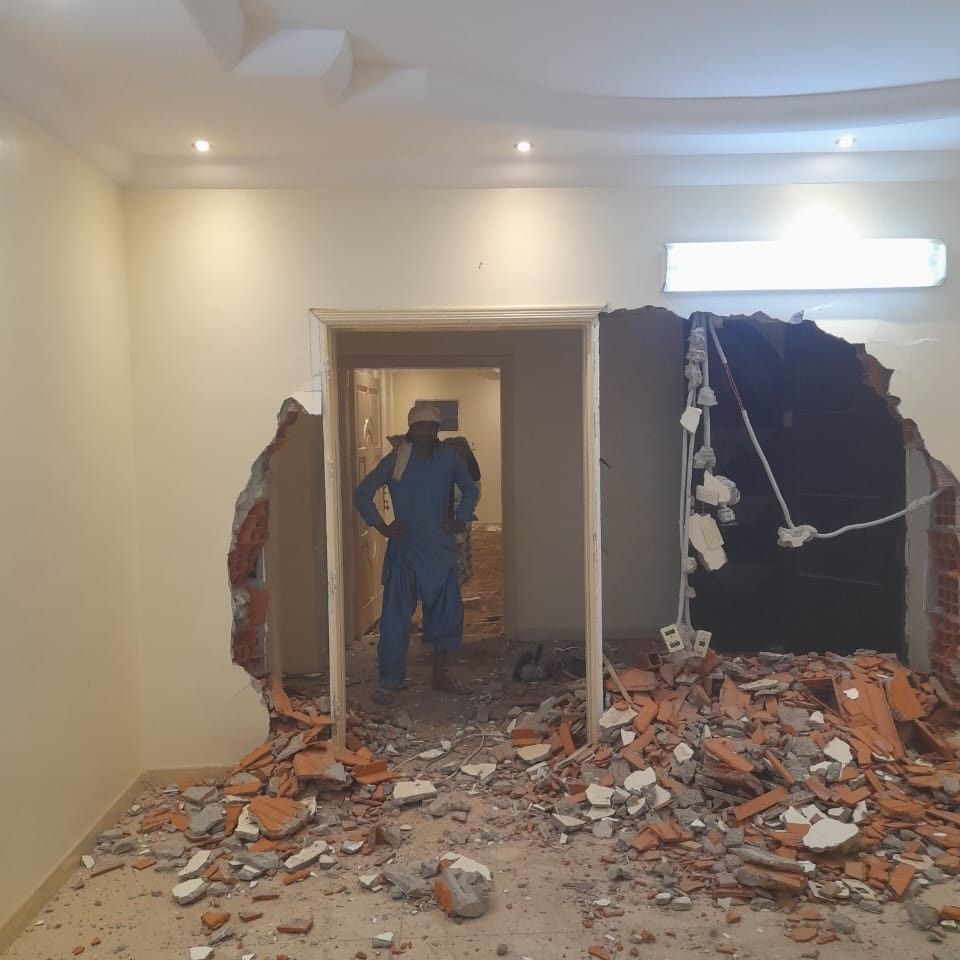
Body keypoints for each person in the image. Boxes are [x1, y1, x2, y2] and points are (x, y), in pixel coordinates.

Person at [355, 404, 479, 697]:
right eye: (420, 426)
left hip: (439, 551)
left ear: (437, 430)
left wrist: (460, 519)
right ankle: (390, 680)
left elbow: (470, 489)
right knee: (395, 619)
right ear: (411, 428)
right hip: (405, 551)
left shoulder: (448, 459)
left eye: (431, 426)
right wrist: (382, 526)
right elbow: (363, 492)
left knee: (446, 616)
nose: (426, 432)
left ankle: (440, 675)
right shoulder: (396, 460)